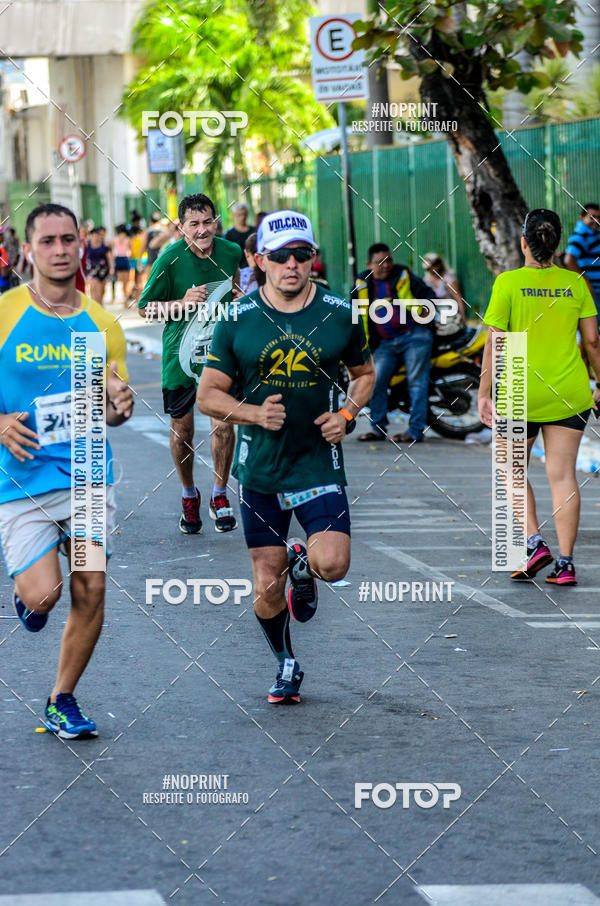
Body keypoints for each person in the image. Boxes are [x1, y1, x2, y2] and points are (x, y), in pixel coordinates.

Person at [197, 209, 375, 703]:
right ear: (259, 261)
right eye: (279, 256)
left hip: (317, 460)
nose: (291, 264)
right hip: (262, 468)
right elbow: (208, 396)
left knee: (334, 564)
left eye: (301, 254)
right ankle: (286, 663)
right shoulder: (237, 319)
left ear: (313, 259)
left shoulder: (339, 313)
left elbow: (365, 373)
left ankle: (306, 564)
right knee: (265, 584)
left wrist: (348, 414)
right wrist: (254, 414)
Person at [0, 202, 133, 737]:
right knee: (45, 596)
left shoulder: (100, 324)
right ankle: (28, 594)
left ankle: (62, 698)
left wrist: (120, 408)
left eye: (68, 240)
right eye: (48, 241)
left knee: (91, 586)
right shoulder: (6, 312)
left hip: (85, 478)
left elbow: (113, 405)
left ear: (82, 245)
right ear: (28, 250)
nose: (59, 250)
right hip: (19, 480)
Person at [479, 208, 600, 586]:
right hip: (569, 390)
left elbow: (495, 343)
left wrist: (484, 393)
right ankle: (565, 565)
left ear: (523, 243)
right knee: (562, 475)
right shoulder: (575, 283)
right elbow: (593, 342)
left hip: (520, 389)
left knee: (511, 470)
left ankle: (534, 543)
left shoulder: (508, 283)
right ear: (557, 243)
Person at [139, 193, 241, 534]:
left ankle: (219, 494)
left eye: (207, 222)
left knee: (223, 423)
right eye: (194, 224)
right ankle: (189, 494)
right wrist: (181, 302)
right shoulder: (169, 259)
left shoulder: (230, 252)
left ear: (216, 221)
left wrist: (241, 301)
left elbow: (234, 289)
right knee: (182, 430)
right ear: (181, 227)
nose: (202, 230)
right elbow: (144, 308)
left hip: (218, 353)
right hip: (179, 356)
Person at [355, 243, 435, 444]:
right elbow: (354, 314)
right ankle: (377, 429)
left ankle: (415, 432)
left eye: (388, 260)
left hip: (414, 336)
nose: (385, 265)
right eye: (379, 262)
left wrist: (427, 309)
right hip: (385, 343)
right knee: (375, 381)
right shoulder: (362, 284)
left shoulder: (403, 275)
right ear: (369, 264)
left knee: (416, 382)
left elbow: (429, 296)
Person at [564, 203, 600, 324]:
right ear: (581, 217)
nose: (596, 220)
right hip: (592, 291)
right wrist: (585, 282)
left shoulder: (593, 235)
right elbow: (569, 260)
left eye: (599, 217)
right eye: (592, 217)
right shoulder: (581, 236)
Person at [422, 252, 466, 324]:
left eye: (435, 265)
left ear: (439, 264)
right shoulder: (426, 281)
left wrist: (463, 319)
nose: (433, 269)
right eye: (430, 268)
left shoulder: (448, 279)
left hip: (448, 312)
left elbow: (458, 299)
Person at [86, 227, 113, 305]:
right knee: (93, 286)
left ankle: (100, 303)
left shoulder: (104, 246)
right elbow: (85, 257)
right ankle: (95, 304)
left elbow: (109, 257)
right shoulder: (87, 245)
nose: (95, 237)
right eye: (93, 235)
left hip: (103, 269)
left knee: (101, 289)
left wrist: (112, 268)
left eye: (97, 235)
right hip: (92, 268)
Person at [112, 224, 131, 303]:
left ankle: (123, 297)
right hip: (125, 258)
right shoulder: (128, 239)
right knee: (127, 282)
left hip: (118, 259)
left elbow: (112, 250)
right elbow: (130, 250)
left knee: (121, 281)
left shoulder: (114, 239)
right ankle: (126, 298)